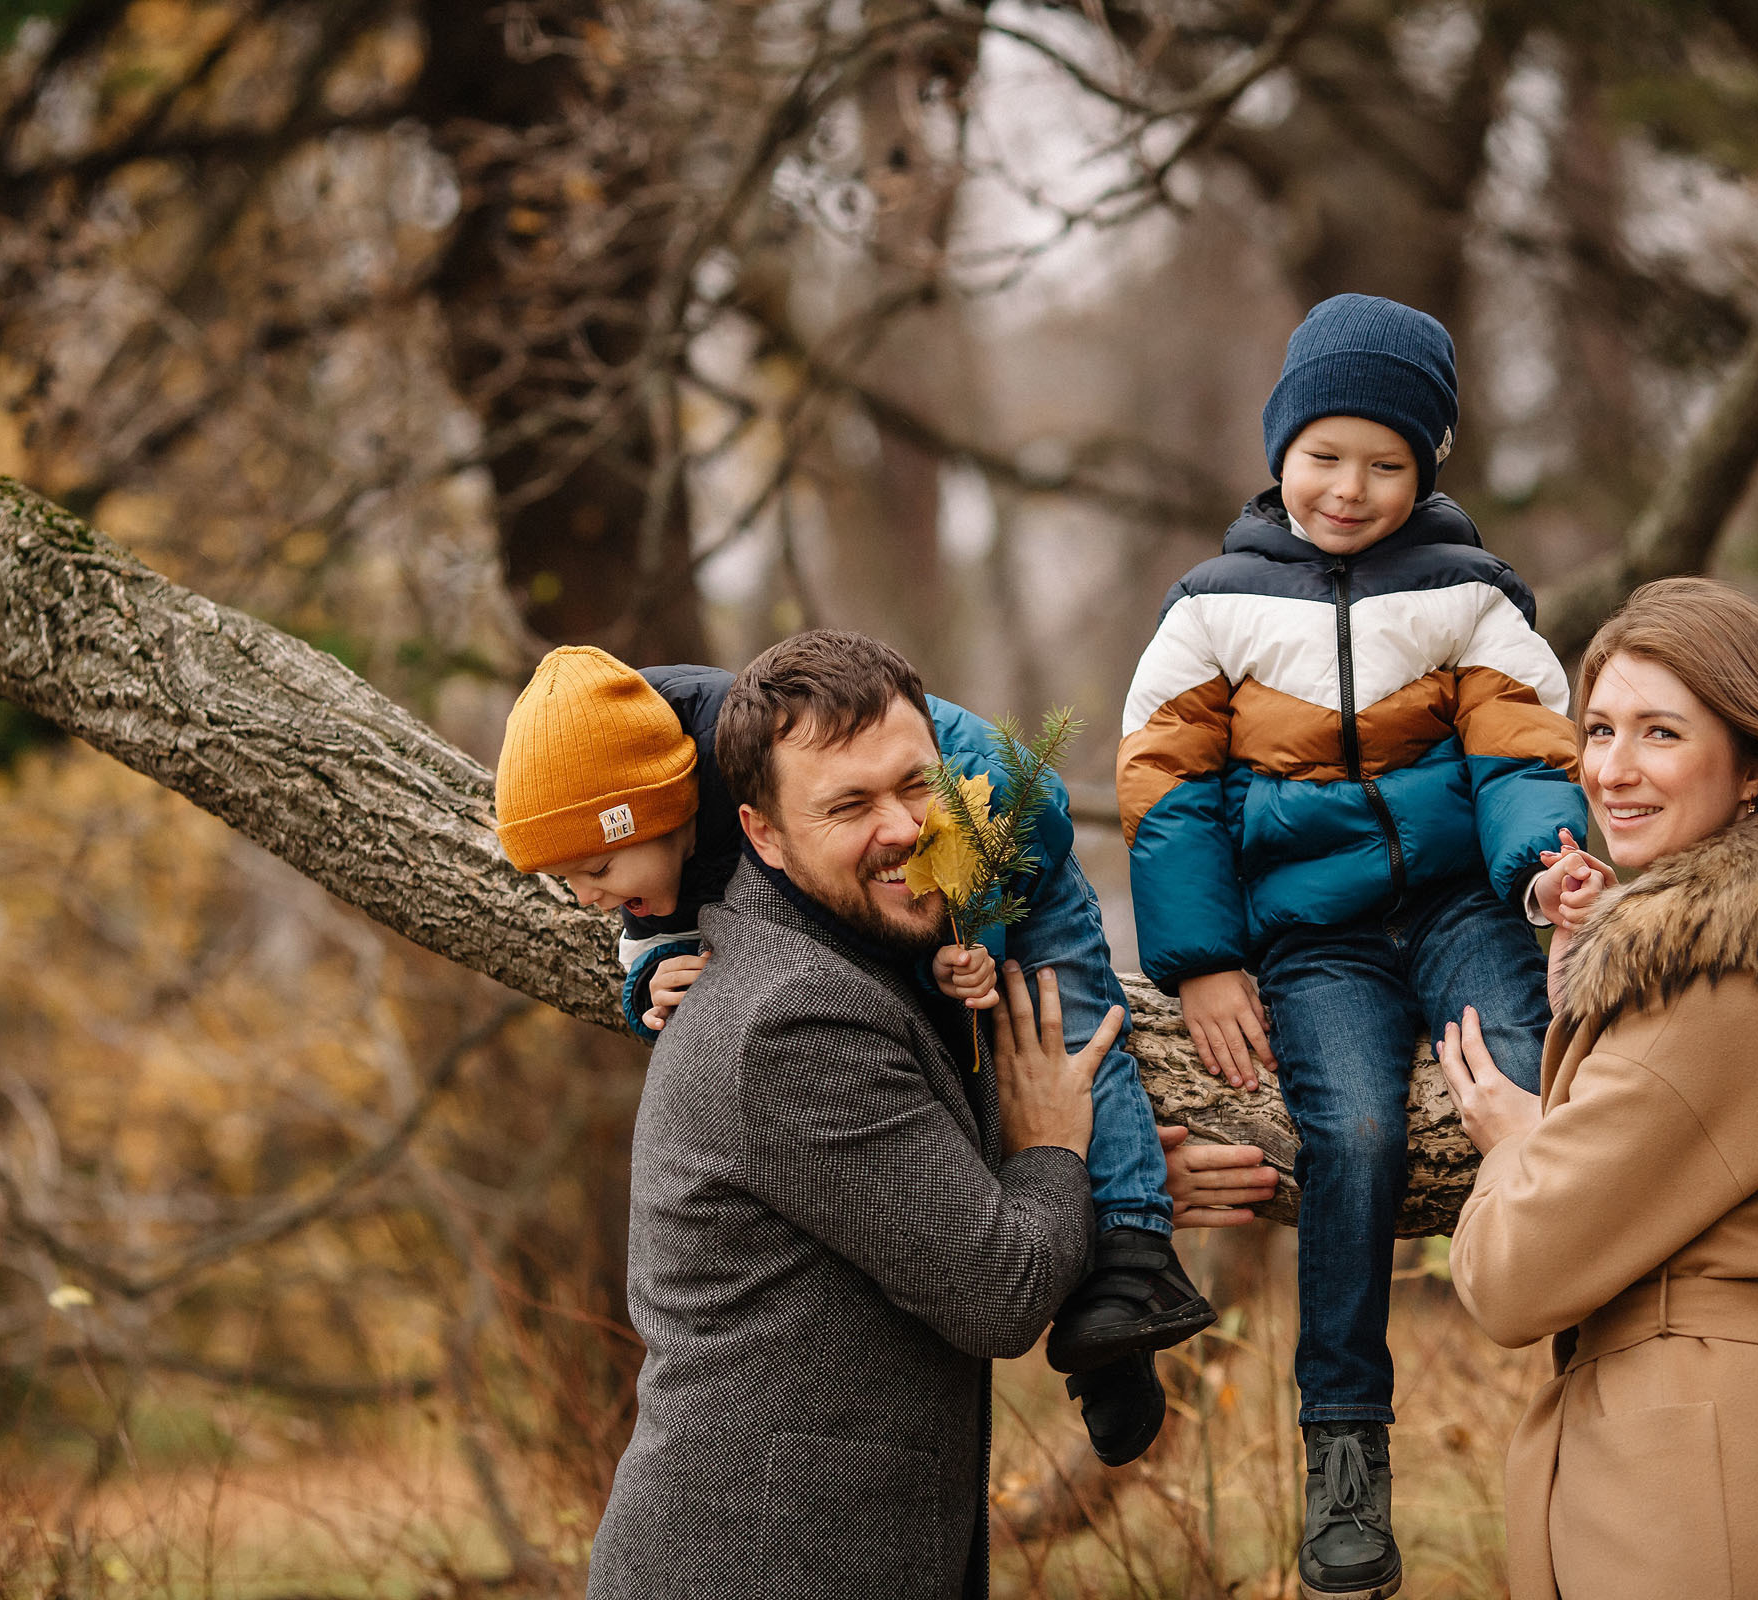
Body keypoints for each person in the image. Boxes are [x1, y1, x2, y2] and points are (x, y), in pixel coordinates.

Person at [1117, 292, 1587, 1599]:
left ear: (1427, 469)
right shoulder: (1211, 609)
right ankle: (1344, 1450)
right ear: (1280, 451)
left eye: (1387, 463)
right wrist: (1206, 960)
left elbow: (1525, 751)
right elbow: (1166, 791)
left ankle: (1591, 1360)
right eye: (1325, 455)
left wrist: (1547, 869)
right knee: (1358, 1136)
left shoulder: (1468, 597)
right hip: (1314, 940)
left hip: (1459, 912)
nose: (1350, 487)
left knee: (1526, 1079)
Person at [491, 637, 1210, 1463]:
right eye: (569, 881)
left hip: (994, 833)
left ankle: (1131, 1258)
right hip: (897, 882)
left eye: (597, 867)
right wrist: (648, 977)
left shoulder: (763, 767)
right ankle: (1101, 1297)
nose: (587, 897)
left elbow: (905, 893)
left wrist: (958, 947)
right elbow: (649, 940)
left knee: (1061, 1025)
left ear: (664, 815)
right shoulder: (659, 835)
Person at [583, 635, 1123, 1600]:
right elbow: (998, 1286)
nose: (906, 829)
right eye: (846, 805)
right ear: (761, 835)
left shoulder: (841, 965)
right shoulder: (793, 1015)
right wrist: (1053, 1158)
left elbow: (902, 1180)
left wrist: (1102, 1167)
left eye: (917, 786)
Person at [1437, 577, 1758, 1600]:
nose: (1612, 770)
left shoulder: (1730, 974)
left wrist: (1520, 1140)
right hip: (1742, 1465)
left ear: (1752, 766)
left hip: (1709, 1498)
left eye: (1661, 733)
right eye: (1599, 729)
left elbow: (1513, 1276)